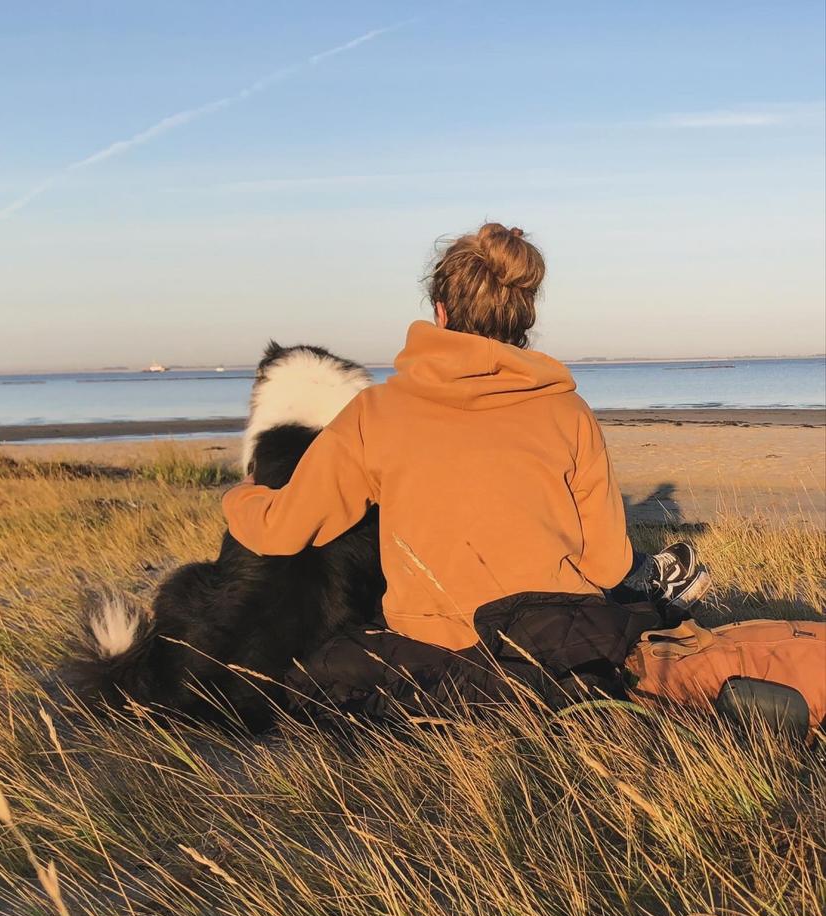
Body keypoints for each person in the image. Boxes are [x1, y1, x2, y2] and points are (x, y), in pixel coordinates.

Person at [222, 223, 709, 709]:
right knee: (635, 590)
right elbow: (608, 563)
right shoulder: (569, 411)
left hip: (435, 645)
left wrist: (241, 493)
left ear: (439, 311)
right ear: (524, 319)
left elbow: (281, 531)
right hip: (558, 639)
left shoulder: (376, 413)